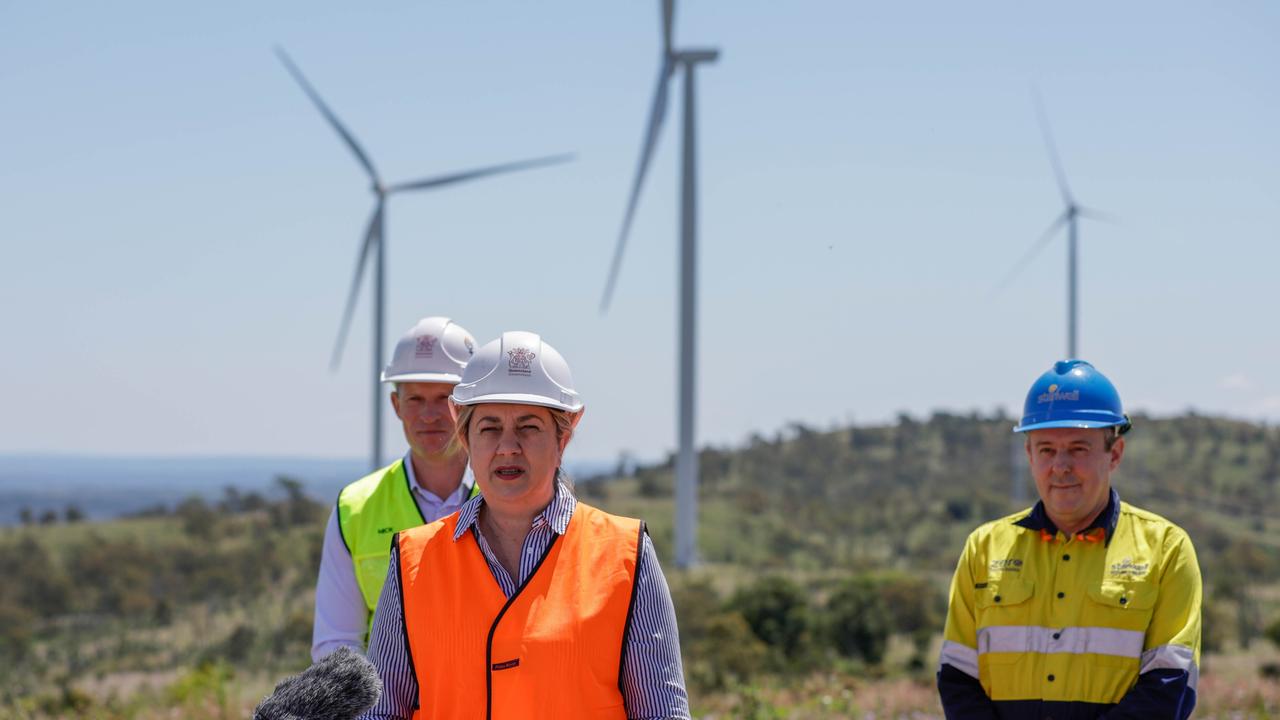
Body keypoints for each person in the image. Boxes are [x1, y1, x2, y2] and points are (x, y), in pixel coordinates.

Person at [360, 331, 690, 719]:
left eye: (529, 427)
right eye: (489, 428)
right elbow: (379, 712)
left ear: (564, 433)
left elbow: (662, 711)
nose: (507, 447)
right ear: (463, 434)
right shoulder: (413, 561)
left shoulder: (626, 554)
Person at [937, 360, 1202, 719]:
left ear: (1115, 454)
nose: (1060, 466)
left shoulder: (1167, 549)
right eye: (1046, 449)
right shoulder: (982, 549)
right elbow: (957, 676)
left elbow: (1170, 683)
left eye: (1078, 448)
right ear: (1029, 455)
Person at [312, 317, 480, 661]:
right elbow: (336, 645)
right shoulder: (354, 509)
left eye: (444, 398)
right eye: (416, 399)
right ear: (396, 405)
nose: (429, 415)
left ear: (469, 404)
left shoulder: (512, 497)